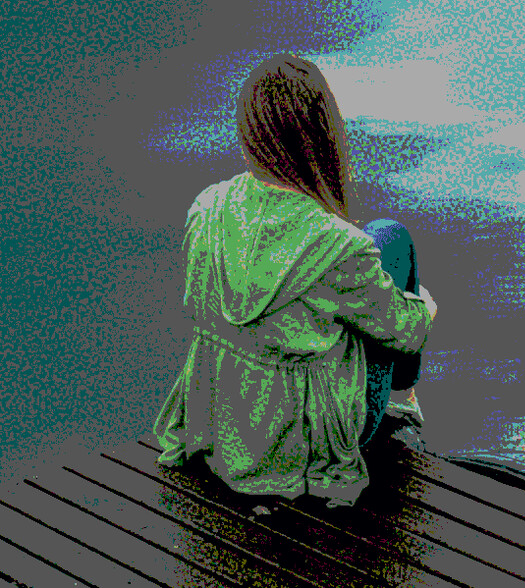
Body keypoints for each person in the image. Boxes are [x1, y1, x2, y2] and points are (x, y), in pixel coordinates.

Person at [153, 54, 437, 508]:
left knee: (375, 247)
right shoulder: (339, 246)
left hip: (221, 426)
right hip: (301, 448)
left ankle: (398, 400)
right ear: (323, 135)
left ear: (250, 133)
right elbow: (409, 333)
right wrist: (425, 305)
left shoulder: (207, 208)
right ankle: (402, 403)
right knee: (392, 238)